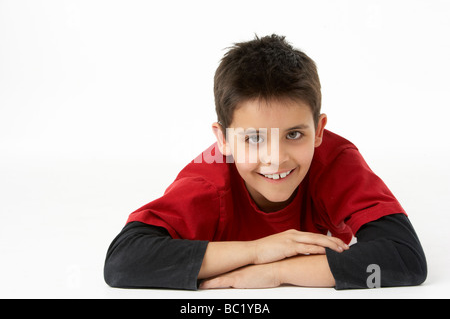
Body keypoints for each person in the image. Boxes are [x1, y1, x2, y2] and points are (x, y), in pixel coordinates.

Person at [104, 34, 427, 290]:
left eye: (294, 135)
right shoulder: (208, 182)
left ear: (319, 131)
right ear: (224, 140)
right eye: (254, 138)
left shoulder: (334, 159)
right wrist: (258, 250)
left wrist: (276, 272)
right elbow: (124, 262)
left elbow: (405, 258)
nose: (276, 158)